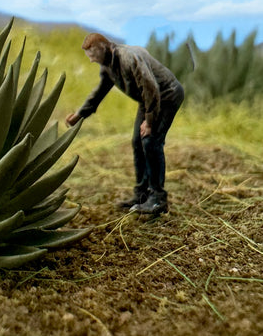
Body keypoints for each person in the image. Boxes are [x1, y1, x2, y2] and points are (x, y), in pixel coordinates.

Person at [66, 33, 184, 215]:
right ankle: (142, 194)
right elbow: (99, 93)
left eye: (93, 56)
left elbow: (150, 86)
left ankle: (158, 199)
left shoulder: (128, 57)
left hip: (166, 95)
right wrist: (80, 115)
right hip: (149, 100)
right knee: (137, 142)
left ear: (104, 48)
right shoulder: (107, 66)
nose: (92, 62)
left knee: (150, 141)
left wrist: (150, 121)